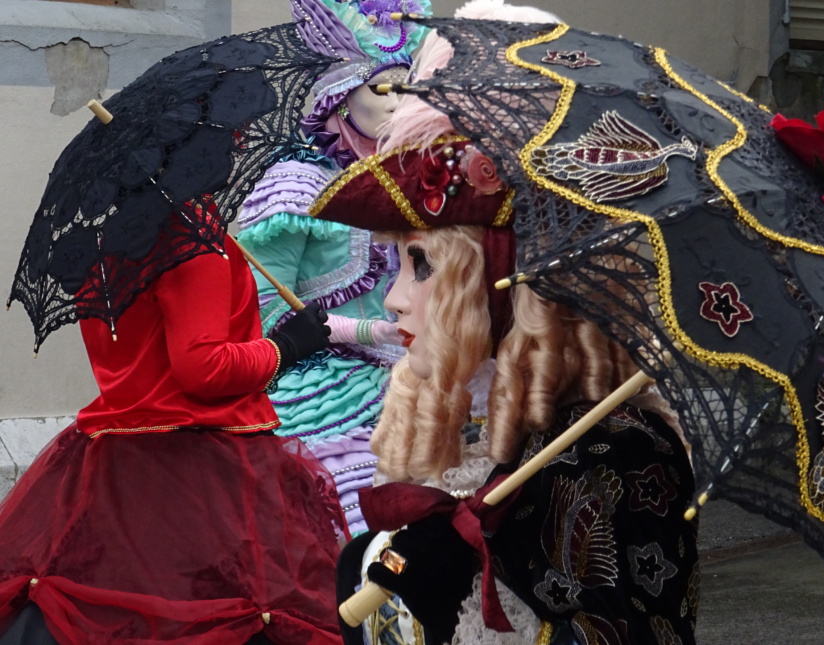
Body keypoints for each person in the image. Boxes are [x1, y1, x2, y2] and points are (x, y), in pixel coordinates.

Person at [309, 12, 700, 635]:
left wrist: (480, 559)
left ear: (504, 283)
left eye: (422, 266)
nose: (393, 302)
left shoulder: (610, 453)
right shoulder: (447, 421)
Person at [0, 210, 347, 644]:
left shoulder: (107, 238)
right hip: (204, 462)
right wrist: (288, 345)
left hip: (116, 458)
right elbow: (203, 368)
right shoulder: (190, 233)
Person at [236, 0, 429, 535]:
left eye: (409, 89)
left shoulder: (414, 181)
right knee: (355, 500)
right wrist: (360, 330)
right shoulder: (294, 187)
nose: (399, 105)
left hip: (412, 365)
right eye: (383, 89)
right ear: (340, 100)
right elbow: (261, 315)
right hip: (317, 376)